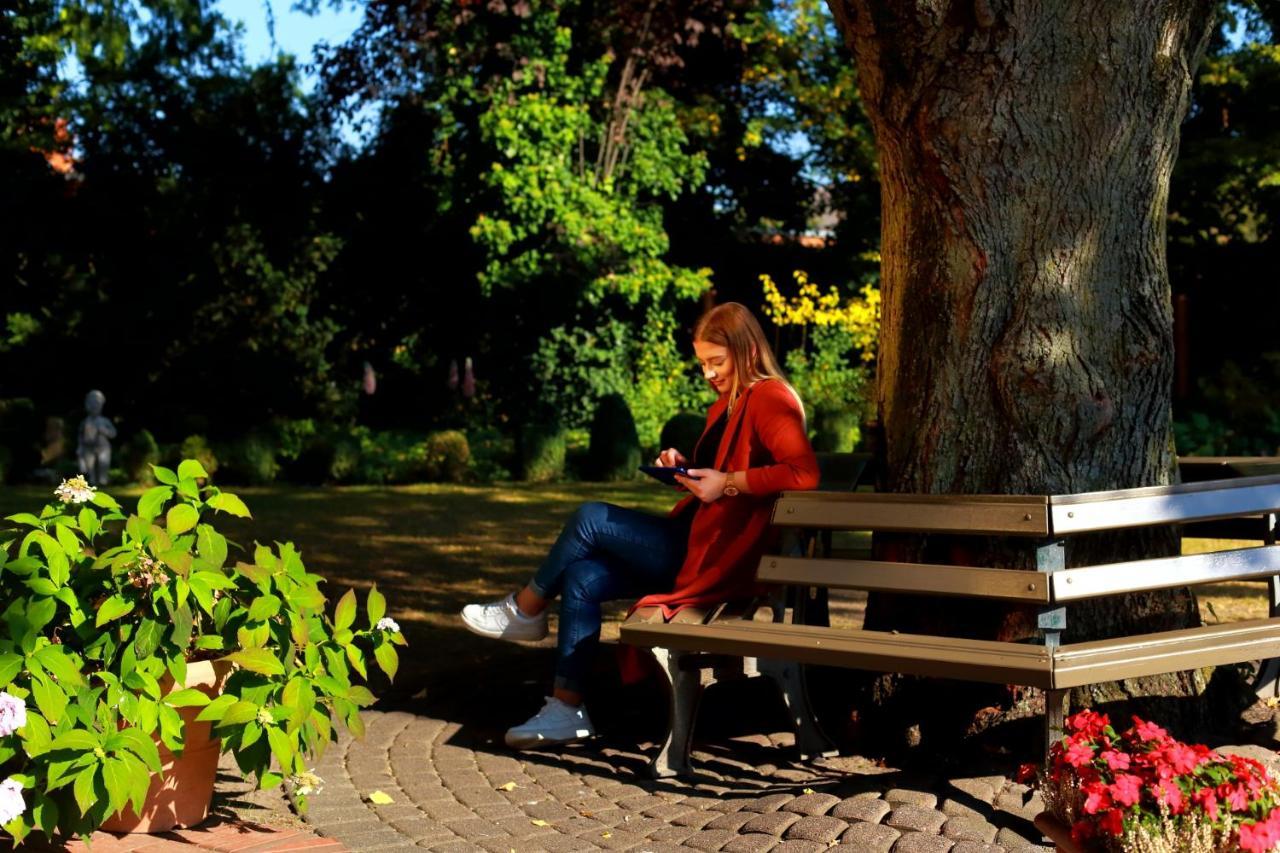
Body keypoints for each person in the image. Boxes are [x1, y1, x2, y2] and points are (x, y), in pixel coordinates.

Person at [460, 302, 820, 748]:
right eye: (702, 364)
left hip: (721, 557)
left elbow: (804, 474)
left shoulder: (769, 397)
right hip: (700, 541)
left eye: (716, 362)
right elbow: (723, 481)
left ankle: (525, 609)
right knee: (581, 576)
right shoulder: (729, 404)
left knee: (590, 518)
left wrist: (726, 482)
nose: (708, 373)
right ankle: (566, 709)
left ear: (745, 352)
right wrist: (686, 471)